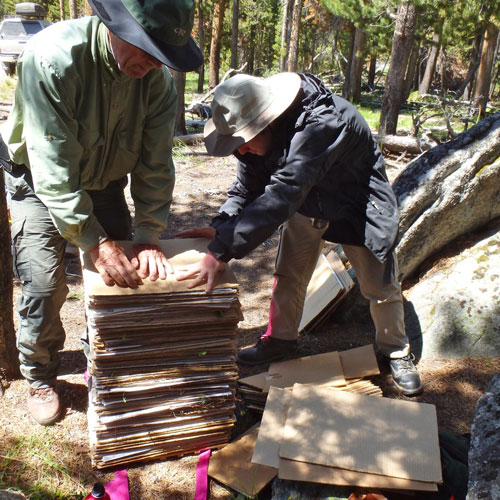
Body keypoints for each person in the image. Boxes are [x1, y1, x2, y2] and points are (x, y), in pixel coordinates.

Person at [0, 0, 202, 425]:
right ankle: (39, 375)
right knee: (42, 283)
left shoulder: (157, 82)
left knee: (126, 277)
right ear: (117, 26)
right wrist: (96, 242)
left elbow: (155, 164)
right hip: (37, 181)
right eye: (146, 50)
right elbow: (52, 170)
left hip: (106, 182)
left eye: (160, 56)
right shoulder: (52, 58)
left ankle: (104, 362)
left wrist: (148, 235)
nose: (150, 64)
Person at [175, 72, 423, 397]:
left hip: (356, 202)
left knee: (378, 284)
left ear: (269, 121)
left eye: (245, 140)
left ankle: (395, 351)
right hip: (307, 202)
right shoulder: (252, 143)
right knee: (289, 274)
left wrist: (220, 250)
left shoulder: (322, 124)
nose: (243, 150)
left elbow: (282, 194)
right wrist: (223, 225)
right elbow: (248, 188)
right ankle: (280, 340)